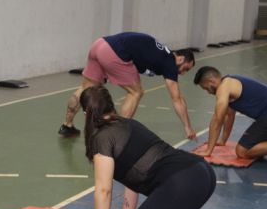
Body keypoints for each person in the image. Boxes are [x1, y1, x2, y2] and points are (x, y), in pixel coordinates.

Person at [68, 86, 254, 209]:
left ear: (86, 114)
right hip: (201, 172)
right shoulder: (127, 124)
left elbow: (103, 190)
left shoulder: (102, 138)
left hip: (183, 182)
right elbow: (131, 176)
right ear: (111, 105)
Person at [58, 32, 197, 140]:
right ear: (180, 58)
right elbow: (177, 99)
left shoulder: (162, 54)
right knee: (136, 92)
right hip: (114, 52)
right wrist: (188, 127)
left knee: (85, 89)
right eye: (185, 68)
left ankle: (67, 126)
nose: (183, 73)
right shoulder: (169, 62)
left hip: (100, 44)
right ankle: (116, 135)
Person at [193, 66, 267, 167]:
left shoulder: (223, 87)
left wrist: (208, 150)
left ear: (211, 80)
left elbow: (217, 119)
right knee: (255, 144)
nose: (208, 92)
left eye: (206, 88)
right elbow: (229, 115)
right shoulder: (230, 82)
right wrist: (223, 140)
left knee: (242, 151)